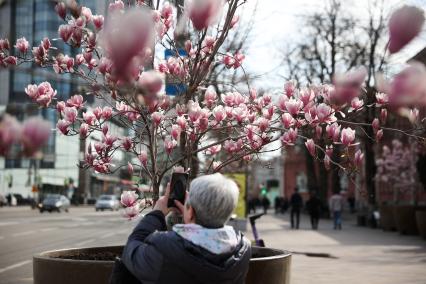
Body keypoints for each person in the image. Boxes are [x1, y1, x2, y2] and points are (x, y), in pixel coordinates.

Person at [114, 173, 251, 284]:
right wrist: (192, 215)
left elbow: (132, 250)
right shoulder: (243, 249)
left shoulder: (164, 250)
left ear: (190, 212)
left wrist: (157, 213)